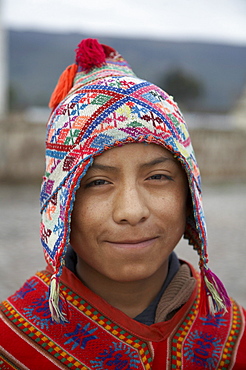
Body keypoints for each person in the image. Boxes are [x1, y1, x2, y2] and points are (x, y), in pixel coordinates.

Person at [0, 38, 245, 369]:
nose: (131, 211)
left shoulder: (235, 338)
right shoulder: (12, 344)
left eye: (157, 177)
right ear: (59, 206)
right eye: (98, 182)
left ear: (189, 195)